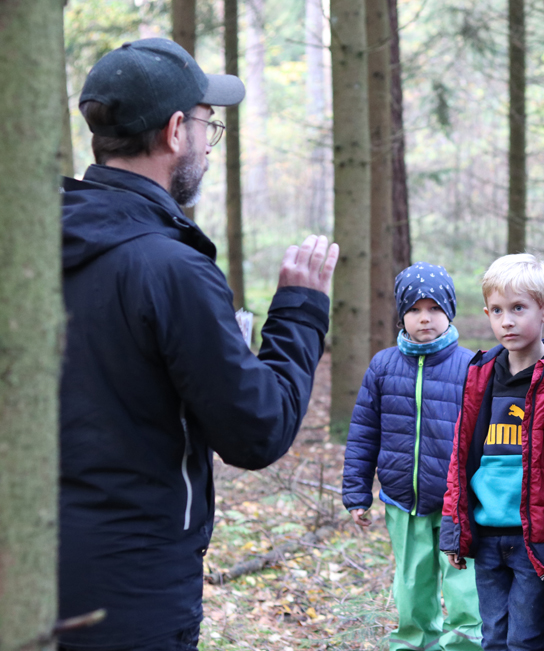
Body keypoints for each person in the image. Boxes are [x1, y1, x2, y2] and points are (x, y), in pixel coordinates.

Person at [59, 38, 338, 651]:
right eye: (208, 128)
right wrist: (300, 309)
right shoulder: (170, 269)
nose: (208, 152)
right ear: (175, 130)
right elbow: (257, 431)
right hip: (133, 594)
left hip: (29, 574)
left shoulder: (28, 249)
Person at [439, 254, 544, 651]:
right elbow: (461, 457)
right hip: (487, 535)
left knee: (525, 638)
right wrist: (454, 530)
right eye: (497, 310)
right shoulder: (480, 373)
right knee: (493, 636)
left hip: (537, 538)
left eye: (517, 308)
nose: (506, 321)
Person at [342, 262, 481, 651]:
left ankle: (466, 645)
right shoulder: (384, 366)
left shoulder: (472, 367)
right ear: (401, 314)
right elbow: (363, 435)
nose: (425, 318)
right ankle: (414, 643)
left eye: (435, 309)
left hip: (459, 503)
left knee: (464, 588)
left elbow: (486, 438)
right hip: (403, 501)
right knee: (412, 585)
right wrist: (357, 493)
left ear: (449, 311)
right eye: (415, 309)